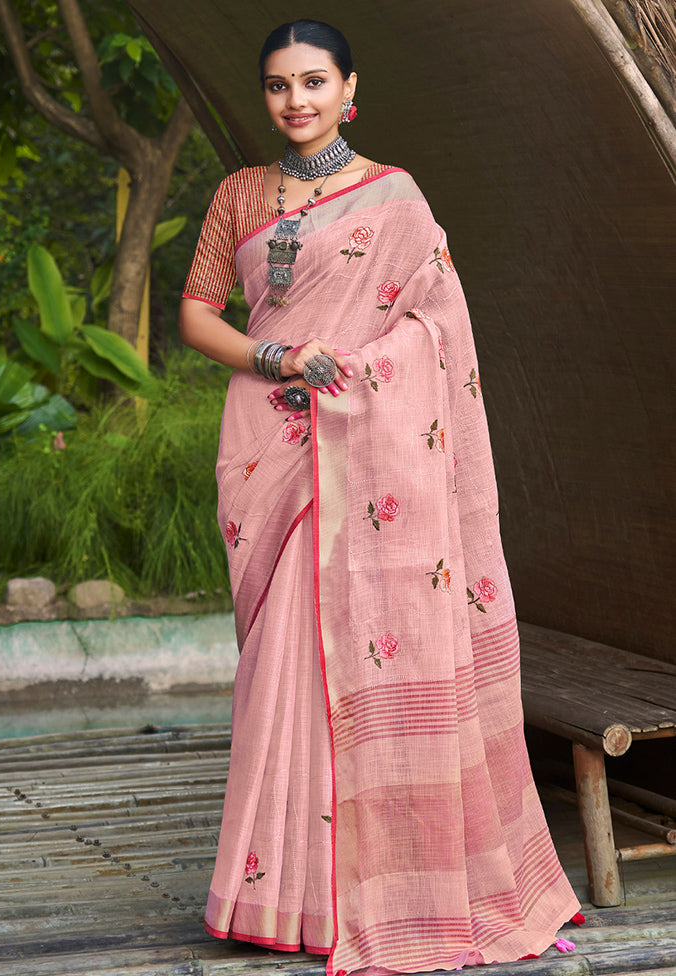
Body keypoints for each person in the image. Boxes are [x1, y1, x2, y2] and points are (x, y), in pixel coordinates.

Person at [179, 19, 581, 976]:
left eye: (313, 81)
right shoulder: (240, 194)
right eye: (278, 85)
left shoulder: (394, 199)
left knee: (346, 661)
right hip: (271, 448)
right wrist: (275, 352)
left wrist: (358, 365)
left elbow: (438, 323)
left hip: (365, 449)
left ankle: (379, 900)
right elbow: (198, 314)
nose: (295, 101)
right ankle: (283, 899)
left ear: (347, 85)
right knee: (281, 665)